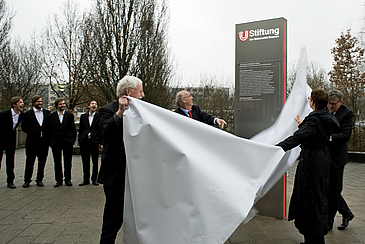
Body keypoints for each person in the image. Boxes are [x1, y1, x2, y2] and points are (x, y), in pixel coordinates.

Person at [277, 89, 339, 244]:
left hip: (312, 163)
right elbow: (313, 133)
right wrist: (302, 124)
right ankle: (313, 237)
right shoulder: (325, 118)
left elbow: (297, 138)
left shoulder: (315, 120)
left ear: (313, 102)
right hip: (321, 160)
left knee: (311, 200)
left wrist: (276, 148)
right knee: (316, 198)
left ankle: (314, 239)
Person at [98, 75, 145, 244]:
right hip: (116, 175)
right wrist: (120, 112)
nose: (143, 95)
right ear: (128, 91)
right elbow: (104, 134)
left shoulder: (142, 111)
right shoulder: (107, 110)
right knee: (113, 219)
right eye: (140, 91)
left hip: (137, 175)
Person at [327, 90, 354, 231]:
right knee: (329, 190)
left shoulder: (347, 114)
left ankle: (329, 222)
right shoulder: (325, 110)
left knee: (334, 190)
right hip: (325, 157)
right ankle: (347, 213)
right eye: (328, 103)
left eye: (333, 104)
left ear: (341, 102)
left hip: (337, 158)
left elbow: (346, 135)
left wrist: (329, 137)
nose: (330, 106)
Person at [46, 98, 76, 187]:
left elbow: (73, 129)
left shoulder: (70, 115)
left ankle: (68, 179)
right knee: (57, 161)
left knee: (68, 161)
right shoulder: (51, 116)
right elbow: (48, 130)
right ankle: (59, 180)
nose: (62, 105)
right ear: (56, 106)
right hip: (56, 142)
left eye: (63, 104)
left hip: (67, 141)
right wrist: (50, 142)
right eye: (60, 104)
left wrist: (72, 140)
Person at [21, 95, 50, 188]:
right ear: (33, 103)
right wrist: (32, 133)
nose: (40, 103)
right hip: (32, 141)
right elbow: (24, 127)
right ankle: (27, 180)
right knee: (30, 161)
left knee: (42, 162)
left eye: (41, 101)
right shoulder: (27, 114)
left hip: (44, 142)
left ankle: (39, 179)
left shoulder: (47, 113)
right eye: (38, 102)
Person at [0, 96, 24, 189]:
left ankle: (10, 181)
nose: (22, 104)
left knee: (10, 161)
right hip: (1, 140)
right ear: (14, 104)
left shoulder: (21, 115)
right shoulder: (4, 114)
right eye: (20, 102)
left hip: (11, 141)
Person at [78, 101, 100, 186]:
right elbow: (81, 128)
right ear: (88, 106)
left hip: (94, 141)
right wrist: (80, 139)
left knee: (95, 161)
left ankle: (94, 179)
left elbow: (100, 129)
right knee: (85, 161)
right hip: (85, 141)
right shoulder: (83, 116)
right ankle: (86, 179)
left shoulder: (99, 116)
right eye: (92, 104)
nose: (94, 105)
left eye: (95, 104)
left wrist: (100, 142)